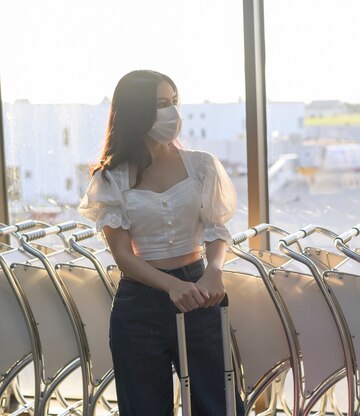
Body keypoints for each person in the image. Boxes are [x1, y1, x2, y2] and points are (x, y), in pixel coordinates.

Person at [78, 70, 243, 415]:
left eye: (173, 102)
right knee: (144, 408)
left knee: (218, 404)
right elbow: (123, 255)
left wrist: (213, 271)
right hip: (139, 304)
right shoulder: (110, 177)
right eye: (160, 105)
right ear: (137, 112)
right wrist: (170, 286)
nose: (172, 113)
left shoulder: (202, 165)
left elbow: (215, 228)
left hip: (200, 294)